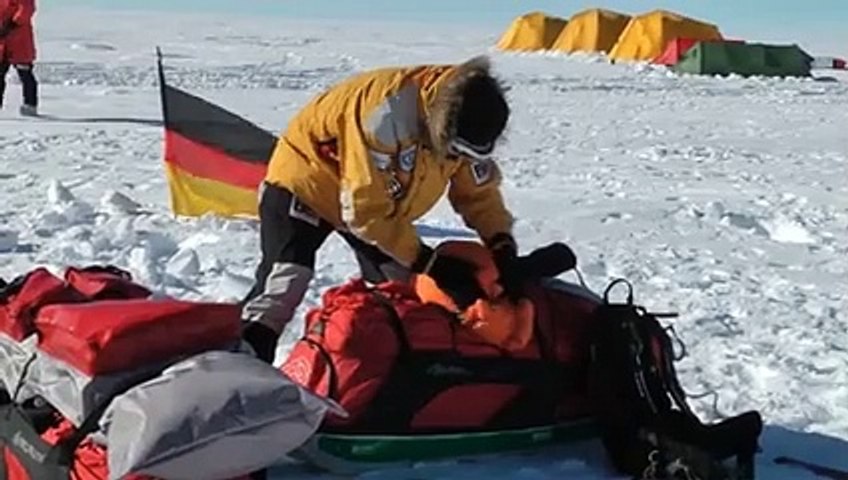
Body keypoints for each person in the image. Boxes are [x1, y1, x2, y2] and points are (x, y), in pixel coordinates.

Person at [240, 55, 522, 363]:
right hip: (307, 180)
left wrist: (500, 241)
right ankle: (238, 364)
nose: (458, 158)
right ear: (443, 129)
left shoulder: (465, 124)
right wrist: (428, 262)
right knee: (285, 285)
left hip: (372, 201)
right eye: (456, 150)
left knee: (401, 292)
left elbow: (478, 194)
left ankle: (377, 374)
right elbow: (365, 213)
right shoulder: (385, 118)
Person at [0, 0, 38, 116]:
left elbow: (27, 9)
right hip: (2, 42)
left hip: (20, 41)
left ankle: (30, 104)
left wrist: (13, 23)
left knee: (25, 73)